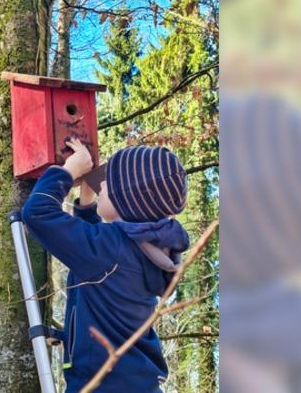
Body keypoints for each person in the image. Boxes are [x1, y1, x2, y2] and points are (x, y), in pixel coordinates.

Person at [22, 138, 190, 393]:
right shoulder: (146, 250)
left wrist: (66, 172)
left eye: (107, 183)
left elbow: (37, 213)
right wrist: (87, 204)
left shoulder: (109, 250)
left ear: (129, 199)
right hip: (135, 382)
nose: (100, 183)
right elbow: (94, 251)